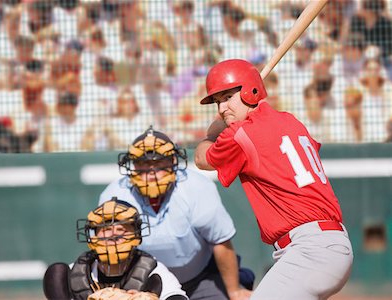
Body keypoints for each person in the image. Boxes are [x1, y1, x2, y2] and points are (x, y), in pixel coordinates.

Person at [194, 59, 354, 300]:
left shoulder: (242, 134)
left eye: (227, 97)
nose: (221, 108)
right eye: (218, 101)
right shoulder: (290, 120)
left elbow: (201, 159)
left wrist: (211, 134)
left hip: (310, 249)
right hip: (324, 245)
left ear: (251, 91)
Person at [99, 126, 254, 300]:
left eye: (159, 162)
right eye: (143, 162)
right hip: (142, 283)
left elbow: (220, 242)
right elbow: (109, 249)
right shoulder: (115, 194)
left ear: (173, 161)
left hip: (199, 278)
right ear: (132, 165)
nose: (151, 171)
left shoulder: (197, 187)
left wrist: (234, 291)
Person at [43, 198, 188, 300]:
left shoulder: (153, 272)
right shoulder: (75, 272)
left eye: (122, 228)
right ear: (94, 236)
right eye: (105, 229)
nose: (113, 234)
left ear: (136, 235)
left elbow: (176, 296)